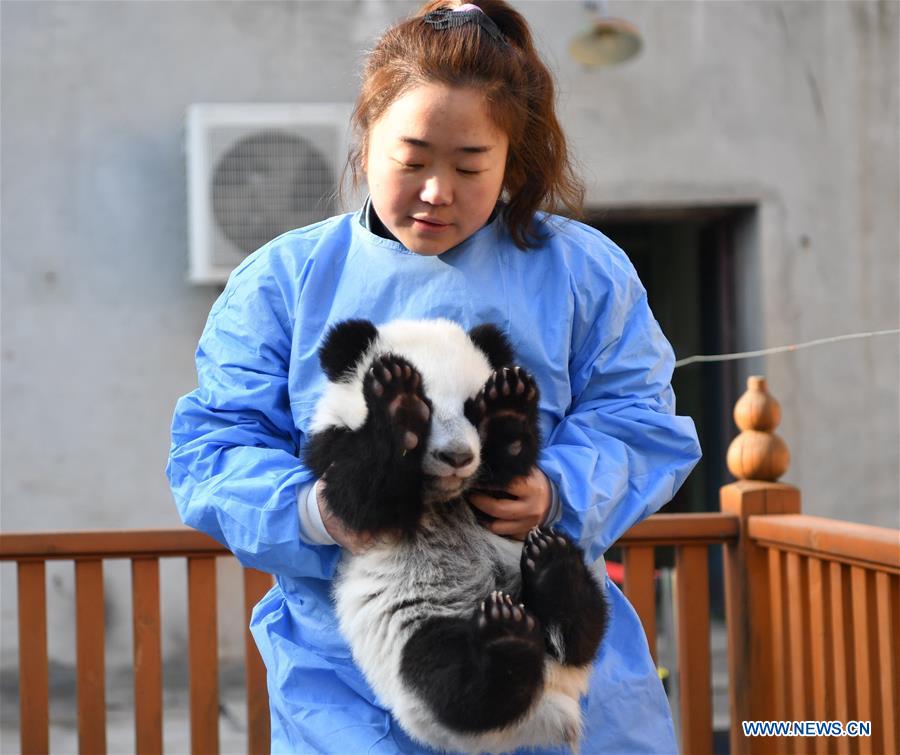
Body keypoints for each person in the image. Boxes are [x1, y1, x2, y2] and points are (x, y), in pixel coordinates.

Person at [167, 1, 701, 752]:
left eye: (469, 165)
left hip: (545, 649)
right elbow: (214, 446)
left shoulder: (581, 272)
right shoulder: (283, 281)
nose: (435, 190)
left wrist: (557, 491)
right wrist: (320, 512)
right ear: (366, 138)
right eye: (411, 159)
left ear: (512, 158)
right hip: (351, 684)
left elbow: (638, 420)